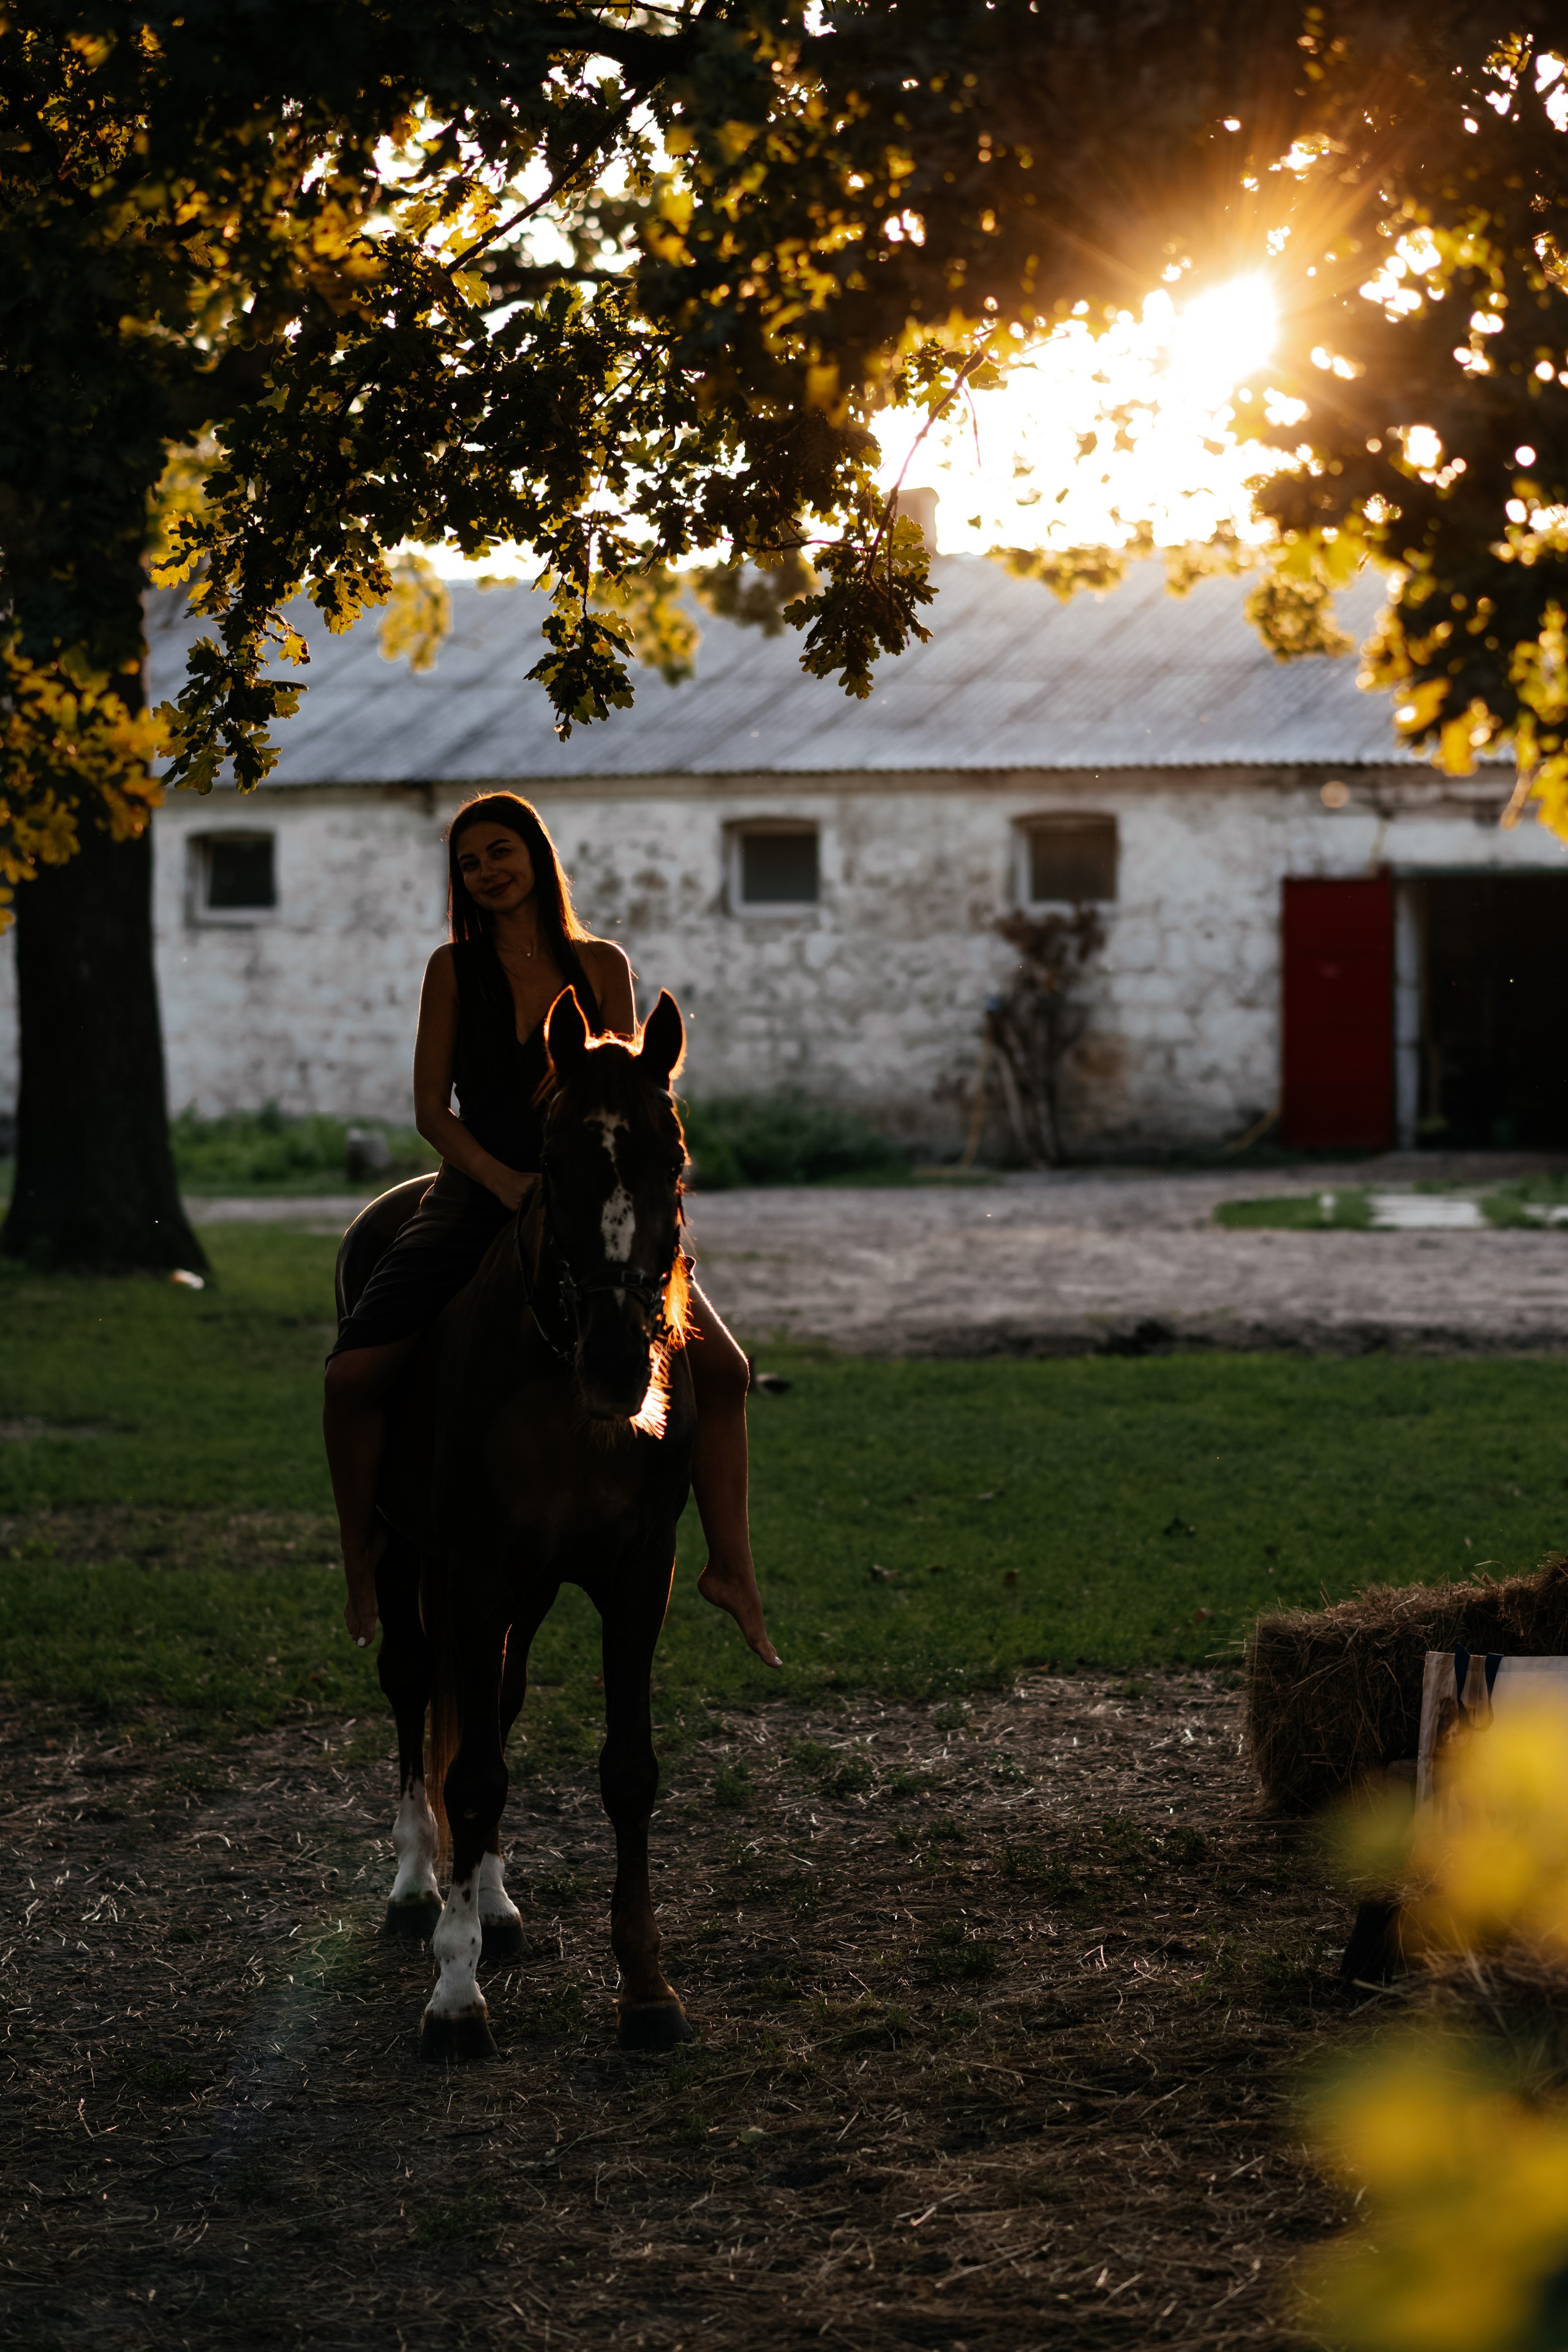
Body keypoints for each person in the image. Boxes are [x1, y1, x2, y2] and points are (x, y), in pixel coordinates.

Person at [322, 791, 778, 1671]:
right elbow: (430, 1110)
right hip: (477, 1191)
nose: (488, 872)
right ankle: (364, 1557)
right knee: (351, 1378)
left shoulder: (602, 964)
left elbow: (623, 1091)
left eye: (501, 852)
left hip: (580, 1199)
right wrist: (501, 1181)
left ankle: (731, 1568)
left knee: (724, 1370)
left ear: (536, 855)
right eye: (470, 862)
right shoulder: (453, 972)